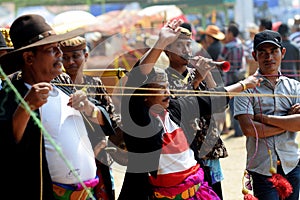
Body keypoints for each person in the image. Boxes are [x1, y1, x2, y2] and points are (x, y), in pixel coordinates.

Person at [117, 19, 261, 200]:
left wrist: (245, 84)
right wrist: (161, 42)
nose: (168, 93)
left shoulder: (173, 108)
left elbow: (210, 99)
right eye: (161, 89)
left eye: (168, 87)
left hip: (196, 187)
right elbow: (138, 77)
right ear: (144, 95)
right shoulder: (139, 118)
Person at [0, 14, 106, 200]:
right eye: (51, 49)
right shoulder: (10, 95)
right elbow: (7, 145)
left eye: (59, 48)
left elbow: (108, 123)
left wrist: (90, 108)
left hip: (88, 193)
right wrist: (26, 107)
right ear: (29, 58)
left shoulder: (65, 86)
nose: (60, 54)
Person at [162, 24, 227, 199]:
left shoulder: (195, 72)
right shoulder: (162, 79)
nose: (186, 49)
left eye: (188, 45)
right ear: (167, 50)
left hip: (208, 148)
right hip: (186, 153)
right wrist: (196, 82)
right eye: (179, 45)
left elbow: (219, 104)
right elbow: (180, 109)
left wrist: (208, 75)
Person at [234, 30, 300, 200]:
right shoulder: (245, 89)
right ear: (255, 56)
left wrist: (263, 118)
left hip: (291, 165)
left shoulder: (294, 88)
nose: (268, 57)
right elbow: (249, 129)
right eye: (262, 52)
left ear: (282, 53)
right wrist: (287, 121)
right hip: (262, 169)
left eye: (273, 51)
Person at [59, 36, 123, 200]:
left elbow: (112, 121)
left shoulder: (95, 84)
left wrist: (91, 110)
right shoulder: (55, 87)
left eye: (75, 56)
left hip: (98, 158)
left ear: (85, 56)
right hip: (67, 160)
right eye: (65, 58)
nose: (71, 62)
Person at [218, 23, 245, 137]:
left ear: (230, 33)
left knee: (232, 105)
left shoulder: (227, 47)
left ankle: (237, 130)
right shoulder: (240, 45)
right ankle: (239, 129)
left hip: (229, 78)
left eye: (227, 32)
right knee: (239, 104)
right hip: (239, 77)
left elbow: (219, 61)